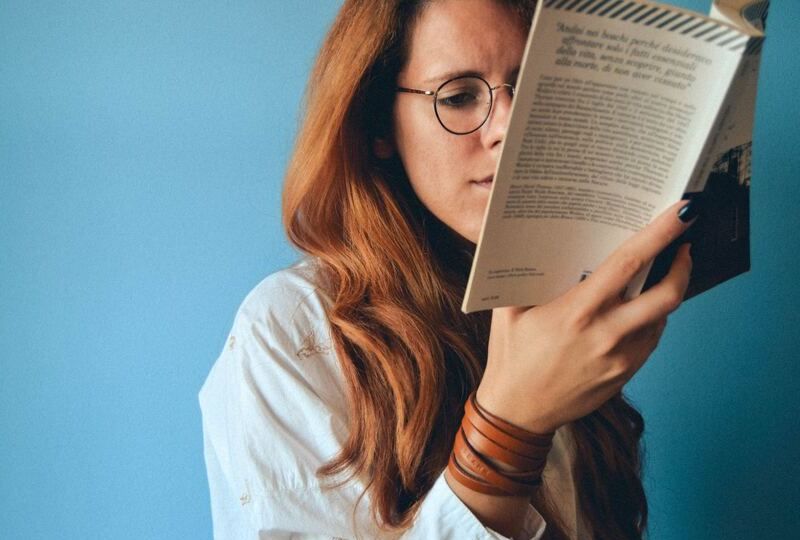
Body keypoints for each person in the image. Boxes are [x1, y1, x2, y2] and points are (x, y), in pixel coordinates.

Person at [198, 0, 699, 538]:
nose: (511, 127)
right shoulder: (290, 331)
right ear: (377, 126)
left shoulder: (562, 301)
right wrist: (510, 428)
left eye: (532, 87)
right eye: (459, 96)